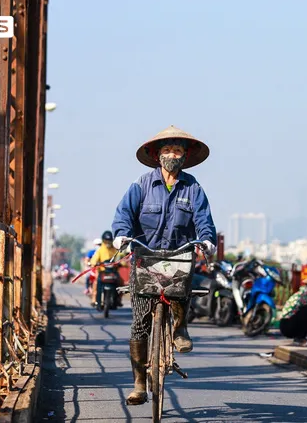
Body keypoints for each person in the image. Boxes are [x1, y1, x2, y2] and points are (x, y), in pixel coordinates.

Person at [111, 125, 217, 405]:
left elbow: (203, 220)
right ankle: (138, 383)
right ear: (157, 156)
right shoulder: (142, 185)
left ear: (185, 156)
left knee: (181, 290)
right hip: (146, 256)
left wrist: (206, 241)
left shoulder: (193, 188)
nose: (173, 154)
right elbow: (124, 213)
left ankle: (180, 327)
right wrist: (121, 235)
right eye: (168, 150)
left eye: (178, 150)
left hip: (179, 255)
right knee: (139, 323)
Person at [90, 231, 120, 308]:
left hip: (113, 272)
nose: (108, 243)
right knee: (98, 284)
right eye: (106, 241)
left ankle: (117, 300)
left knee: (120, 282)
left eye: (109, 241)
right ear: (103, 240)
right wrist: (94, 263)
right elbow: (94, 259)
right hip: (102, 271)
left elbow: (120, 258)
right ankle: (98, 302)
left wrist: (121, 263)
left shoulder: (115, 250)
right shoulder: (100, 250)